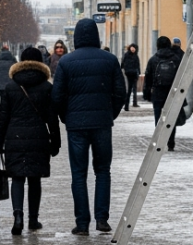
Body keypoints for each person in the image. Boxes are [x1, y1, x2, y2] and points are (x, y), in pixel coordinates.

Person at [52, 18, 125, 236]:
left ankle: (82, 222)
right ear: (96, 35)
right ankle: (102, 219)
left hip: (76, 126)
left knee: (78, 173)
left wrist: (66, 117)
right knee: (103, 171)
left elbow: (57, 96)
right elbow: (120, 92)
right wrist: (110, 113)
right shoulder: (110, 60)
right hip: (102, 123)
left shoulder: (66, 62)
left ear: (76, 37)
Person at [0, 47, 62, 235]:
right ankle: (33, 219)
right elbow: (52, 118)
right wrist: (55, 142)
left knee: (16, 178)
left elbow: (3, 118)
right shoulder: (47, 87)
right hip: (38, 138)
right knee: (34, 179)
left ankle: (18, 216)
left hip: (14, 138)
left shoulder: (10, 87)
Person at [143, 36, 182, 151]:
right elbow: (180, 77)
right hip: (172, 92)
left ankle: (159, 141)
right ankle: (171, 142)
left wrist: (147, 94)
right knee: (171, 117)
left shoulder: (153, 59)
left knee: (158, 117)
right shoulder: (175, 59)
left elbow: (148, 77)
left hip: (158, 93)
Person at [120, 44, 141, 110]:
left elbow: (138, 65)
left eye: (134, 48)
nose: (133, 49)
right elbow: (122, 64)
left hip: (134, 74)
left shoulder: (136, 56)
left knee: (134, 89)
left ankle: (134, 102)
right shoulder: (126, 55)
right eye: (132, 47)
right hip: (128, 74)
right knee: (128, 90)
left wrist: (138, 72)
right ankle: (126, 105)